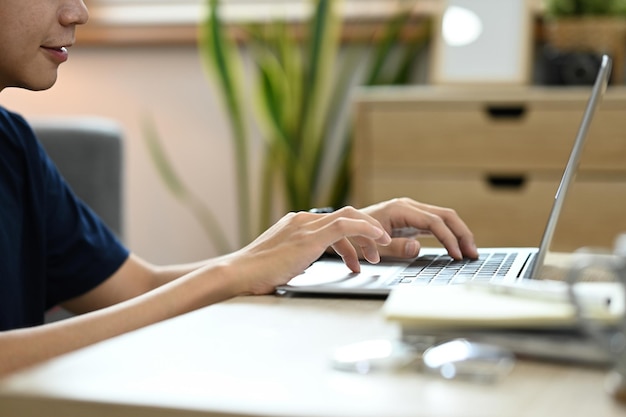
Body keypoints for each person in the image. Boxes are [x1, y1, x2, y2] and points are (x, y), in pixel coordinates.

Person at [0, 0, 478, 377]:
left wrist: (306, 244)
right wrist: (228, 274)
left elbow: (137, 288)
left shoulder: (13, 146)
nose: (77, 12)